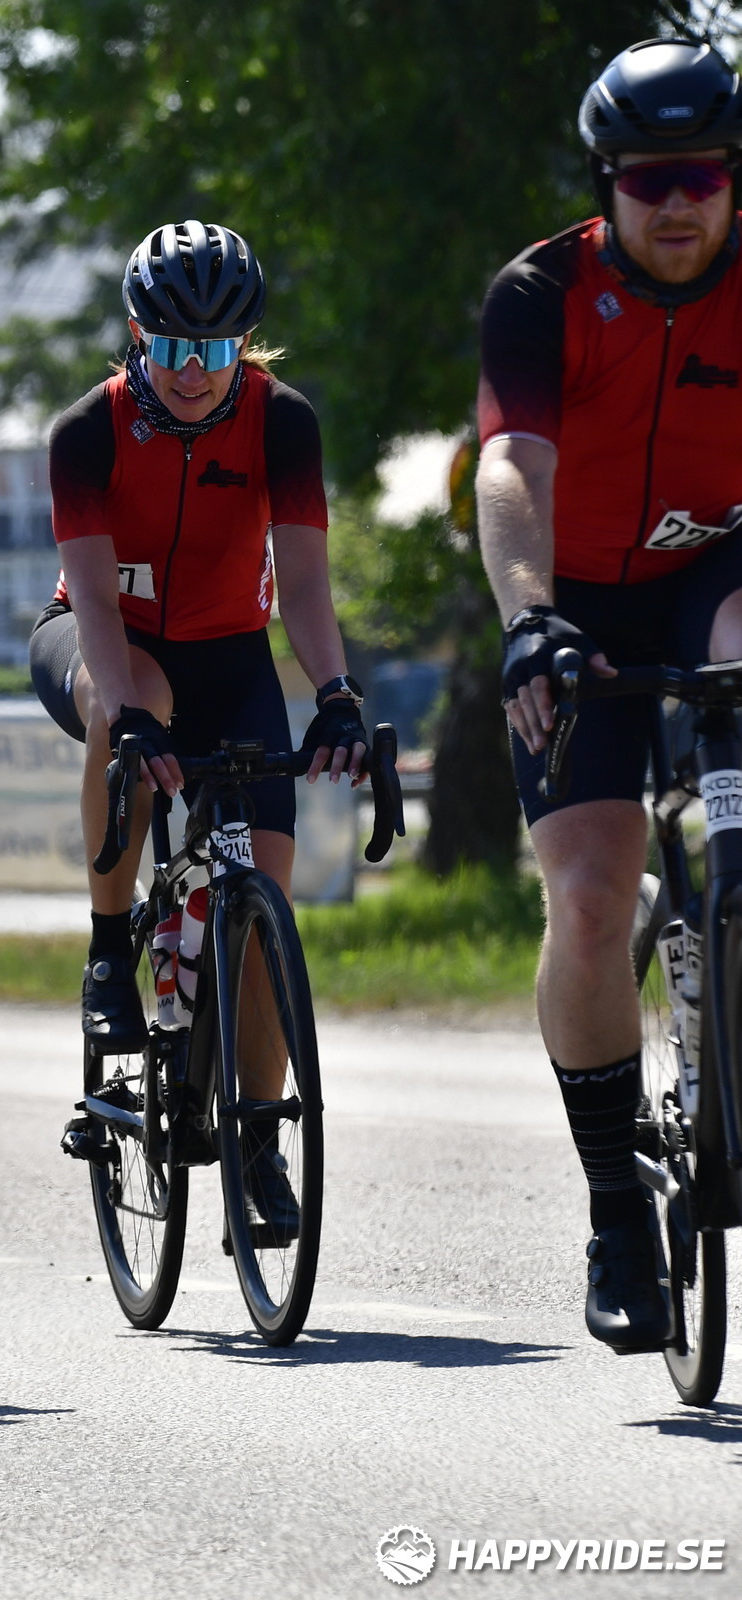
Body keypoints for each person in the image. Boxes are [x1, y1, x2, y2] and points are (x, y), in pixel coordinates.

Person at [477, 37, 742, 1354]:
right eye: (648, 179)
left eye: (703, 174)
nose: (678, 202)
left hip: (714, 569)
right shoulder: (540, 293)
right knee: (586, 900)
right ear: (607, 184)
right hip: (572, 600)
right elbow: (511, 468)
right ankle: (615, 1213)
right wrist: (528, 619)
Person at [29, 221, 364, 1223]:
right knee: (132, 699)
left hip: (229, 654)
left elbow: (304, 583)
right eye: (171, 346)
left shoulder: (281, 422)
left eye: (214, 349)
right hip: (100, 638)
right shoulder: (86, 432)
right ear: (138, 334)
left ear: (242, 343)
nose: (191, 371)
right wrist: (130, 712)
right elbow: (93, 598)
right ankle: (107, 947)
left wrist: (336, 692)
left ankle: (257, 1137)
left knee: (263, 902)